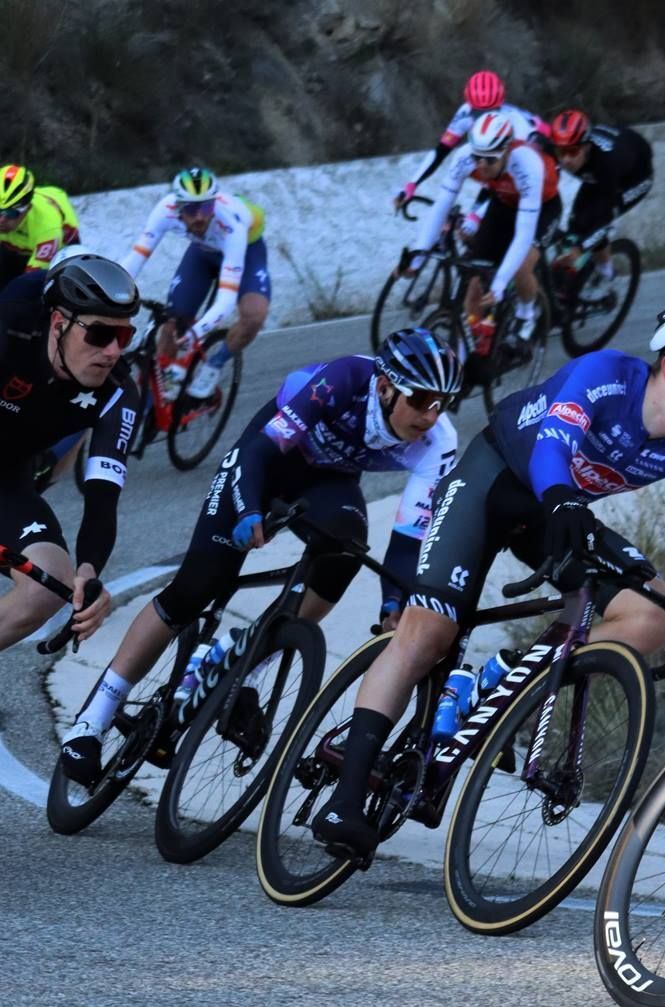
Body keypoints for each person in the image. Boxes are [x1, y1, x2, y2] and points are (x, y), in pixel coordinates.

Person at [305, 300, 665, 858]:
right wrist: (566, 502)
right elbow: (551, 449)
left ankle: (504, 682)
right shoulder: (607, 376)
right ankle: (344, 800)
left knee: (655, 614)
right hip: (494, 481)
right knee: (427, 635)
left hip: (556, 507)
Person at [56, 328, 464, 786]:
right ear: (386, 386)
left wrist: (394, 602)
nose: (431, 415)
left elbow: (409, 539)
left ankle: (249, 652)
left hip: (328, 480)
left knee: (346, 550)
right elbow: (259, 451)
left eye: (442, 402)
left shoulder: (438, 442)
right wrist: (249, 508)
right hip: (267, 460)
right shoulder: (345, 379)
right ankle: (94, 716)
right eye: (422, 398)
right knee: (197, 587)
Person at [0, 254, 141, 651]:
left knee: (51, 582)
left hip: (8, 479)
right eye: (99, 335)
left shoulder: (116, 393)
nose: (113, 351)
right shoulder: (8, 331)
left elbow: (102, 497)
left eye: (124, 337)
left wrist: (89, 572)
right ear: (59, 324)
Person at [403, 112, 559, 345]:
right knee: (473, 280)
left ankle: (527, 315)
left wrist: (500, 284)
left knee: (521, 267)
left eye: (490, 159)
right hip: (502, 203)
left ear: (506, 150)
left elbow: (524, 233)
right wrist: (419, 253)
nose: (481, 165)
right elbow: (441, 206)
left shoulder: (527, 164)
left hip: (542, 208)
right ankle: (474, 341)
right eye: (477, 157)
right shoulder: (465, 157)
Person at [122, 166, 271, 400]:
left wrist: (196, 334)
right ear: (178, 206)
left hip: (245, 250)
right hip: (203, 252)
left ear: (214, 203)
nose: (200, 216)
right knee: (173, 321)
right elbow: (135, 259)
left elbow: (226, 301)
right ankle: (159, 393)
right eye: (192, 208)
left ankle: (214, 364)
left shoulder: (230, 223)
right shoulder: (165, 210)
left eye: (206, 206)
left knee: (254, 315)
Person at [392, 69, 544, 211]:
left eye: (491, 111)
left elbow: (503, 178)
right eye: (478, 112)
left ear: (501, 105)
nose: (485, 117)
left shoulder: (513, 123)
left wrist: (475, 213)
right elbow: (441, 151)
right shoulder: (465, 112)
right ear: (469, 103)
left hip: (536, 151)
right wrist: (412, 184)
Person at [546, 109, 654, 274]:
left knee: (598, 217)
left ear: (587, 147)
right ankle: (575, 271)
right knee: (576, 221)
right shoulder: (561, 150)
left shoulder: (607, 164)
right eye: (561, 152)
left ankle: (605, 272)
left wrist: (580, 249)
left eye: (573, 151)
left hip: (634, 177)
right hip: (600, 171)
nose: (566, 159)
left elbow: (605, 222)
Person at [0, 164, 81, 288]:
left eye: (11, 213)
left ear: (27, 209)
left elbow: (28, 284)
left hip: (59, 243)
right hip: (14, 242)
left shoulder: (47, 228)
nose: (1, 220)